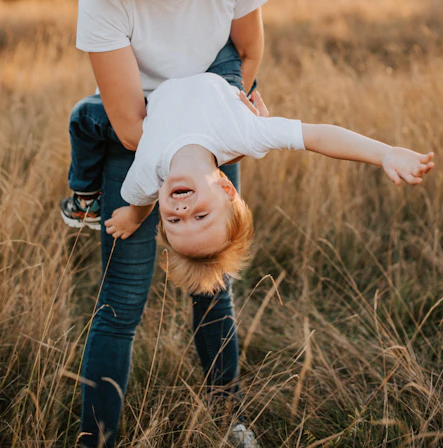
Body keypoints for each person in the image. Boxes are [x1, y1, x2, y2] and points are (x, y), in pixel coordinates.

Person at [68, 0, 268, 448]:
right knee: (120, 304)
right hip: (139, 143)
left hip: (211, 132)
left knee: (211, 283)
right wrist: (202, 113)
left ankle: (228, 418)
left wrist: (230, 105)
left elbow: (249, 54)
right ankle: (96, 438)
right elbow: (131, 128)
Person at [102, 72, 434, 295]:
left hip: (155, 76)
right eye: (200, 217)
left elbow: (139, 202)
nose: (183, 210)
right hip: (218, 65)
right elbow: (316, 135)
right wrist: (384, 153)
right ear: (226, 189)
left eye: (174, 220)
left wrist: (132, 218)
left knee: (84, 119)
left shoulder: (146, 173)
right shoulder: (246, 134)